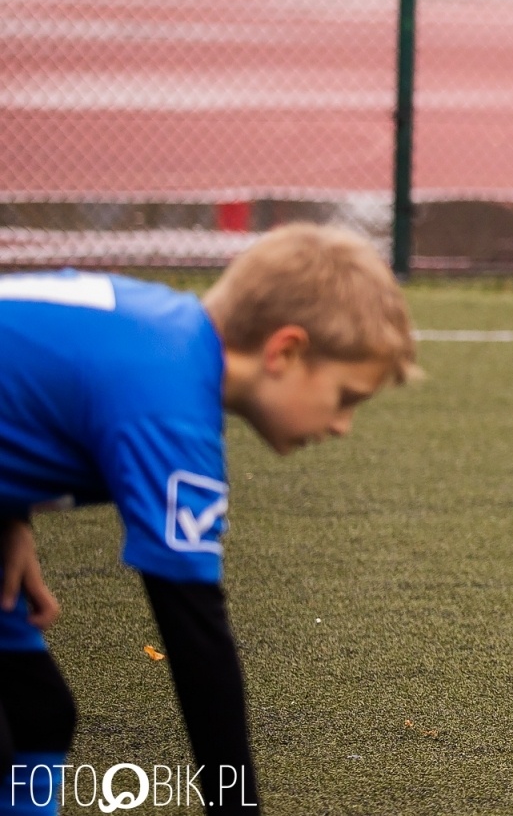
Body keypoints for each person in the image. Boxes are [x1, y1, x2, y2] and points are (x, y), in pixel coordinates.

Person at [0, 224, 418, 813]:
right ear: (285, 352)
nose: (342, 425)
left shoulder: (163, 330)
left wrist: (11, 518)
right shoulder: (171, 408)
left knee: (35, 713)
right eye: (345, 396)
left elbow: (22, 377)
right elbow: (195, 638)